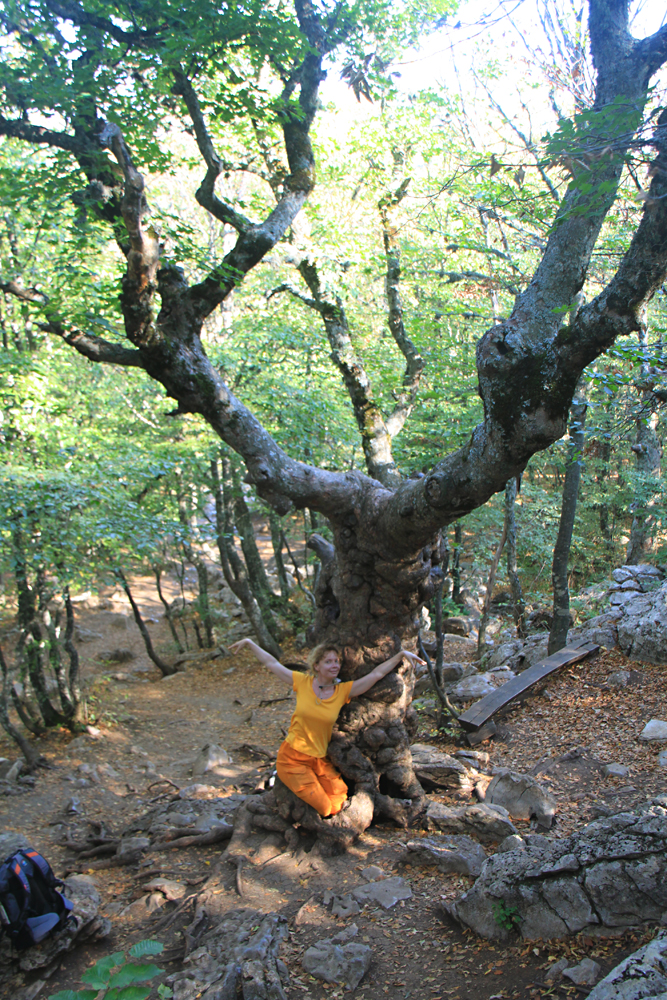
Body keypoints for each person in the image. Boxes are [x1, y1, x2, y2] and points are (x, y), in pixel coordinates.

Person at [229, 638, 425, 818]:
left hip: (318, 759)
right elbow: (272, 664)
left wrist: (400, 655)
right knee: (325, 808)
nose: (335, 665)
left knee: (339, 798)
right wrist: (249, 643)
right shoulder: (303, 682)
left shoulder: (342, 691)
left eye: (337, 662)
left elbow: (376, 674)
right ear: (317, 666)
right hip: (292, 758)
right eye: (328, 661)